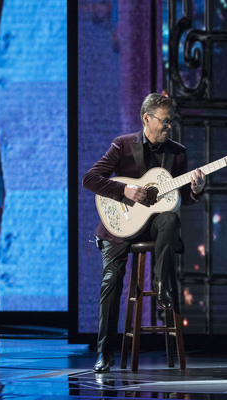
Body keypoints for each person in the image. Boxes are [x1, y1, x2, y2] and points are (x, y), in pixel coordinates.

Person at [83, 93, 206, 373]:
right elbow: (90, 179)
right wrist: (125, 190)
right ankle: (104, 353)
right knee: (111, 283)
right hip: (120, 226)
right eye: (164, 121)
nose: (168, 126)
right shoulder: (123, 145)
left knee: (170, 219)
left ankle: (161, 284)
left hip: (151, 225)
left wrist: (196, 189)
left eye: (171, 122)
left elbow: (182, 198)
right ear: (146, 119)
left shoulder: (178, 151)